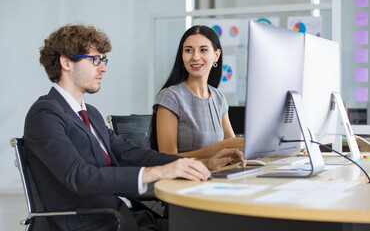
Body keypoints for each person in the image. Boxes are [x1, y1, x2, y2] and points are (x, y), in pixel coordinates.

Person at [23, 24, 246, 231]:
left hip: (124, 215)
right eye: (95, 60)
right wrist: (159, 172)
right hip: (94, 223)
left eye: (104, 60)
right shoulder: (45, 114)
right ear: (66, 62)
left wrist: (196, 163)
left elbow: (131, 154)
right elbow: (79, 176)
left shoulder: (90, 113)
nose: (103, 68)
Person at [150, 25, 244, 159]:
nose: (195, 57)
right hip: (185, 179)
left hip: (217, 176)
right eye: (188, 50)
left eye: (203, 50)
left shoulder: (218, 98)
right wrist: (220, 149)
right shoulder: (170, 97)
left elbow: (234, 150)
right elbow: (168, 157)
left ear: (216, 56)